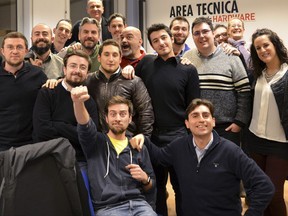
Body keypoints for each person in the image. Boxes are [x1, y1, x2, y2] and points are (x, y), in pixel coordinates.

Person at [131, 98, 275, 216]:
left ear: (213, 121)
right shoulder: (179, 146)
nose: (201, 120)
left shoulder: (231, 151)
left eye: (205, 115)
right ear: (187, 124)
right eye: (195, 116)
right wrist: (143, 138)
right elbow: (159, 157)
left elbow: (265, 186)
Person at [135, 23, 200, 216]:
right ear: (151, 46)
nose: (161, 43)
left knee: (181, 187)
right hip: (152, 137)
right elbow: (133, 88)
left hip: (180, 136)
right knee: (156, 186)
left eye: (164, 37)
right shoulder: (145, 64)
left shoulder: (188, 69)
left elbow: (194, 106)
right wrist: (128, 72)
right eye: (155, 41)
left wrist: (191, 137)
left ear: (172, 38)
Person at [72, 93, 157, 216]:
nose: (117, 118)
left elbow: (151, 187)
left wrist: (145, 179)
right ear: (106, 118)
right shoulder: (95, 142)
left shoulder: (138, 147)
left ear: (130, 118)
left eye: (122, 114)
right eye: (113, 114)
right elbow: (85, 125)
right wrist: (78, 102)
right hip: (108, 208)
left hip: (139, 205)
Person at [183, 17, 251, 146]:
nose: (201, 36)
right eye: (196, 33)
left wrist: (239, 122)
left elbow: (244, 91)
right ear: (192, 36)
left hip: (227, 128)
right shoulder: (187, 57)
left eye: (205, 31)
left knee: (227, 166)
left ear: (213, 33)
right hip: (198, 127)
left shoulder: (231, 56)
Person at [248, 28, 288, 216]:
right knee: (259, 192)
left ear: (275, 45)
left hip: (280, 142)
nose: (262, 50)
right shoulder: (257, 74)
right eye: (258, 48)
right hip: (255, 140)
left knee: (273, 193)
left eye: (266, 45)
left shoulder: (287, 74)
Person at [33, 50, 98, 163]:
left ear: (87, 73)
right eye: (73, 66)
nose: (77, 71)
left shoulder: (89, 101)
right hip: (48, 158)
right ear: (64, 69)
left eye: (82, 67)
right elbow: (41, 130)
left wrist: (57, 125)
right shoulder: (47, 92)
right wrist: (75, 131)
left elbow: (90, 137)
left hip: (78, 160)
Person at [86, 39, 154, 137]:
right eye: (106, 54)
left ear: (120, 59)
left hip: (127, 141)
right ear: (99, 58)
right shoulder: (88, 80)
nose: (111, 59)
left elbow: (146, 112)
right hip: (98, 142)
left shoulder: (133, 81)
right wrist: (57, 80)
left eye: (114, 55)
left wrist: (144, 139)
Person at [0, 32, 47, 151]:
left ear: (26, 50)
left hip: (30, 145)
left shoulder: (38, 74)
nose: (15, 51)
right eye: (10, 47)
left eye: (19, 47)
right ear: (2, 51)